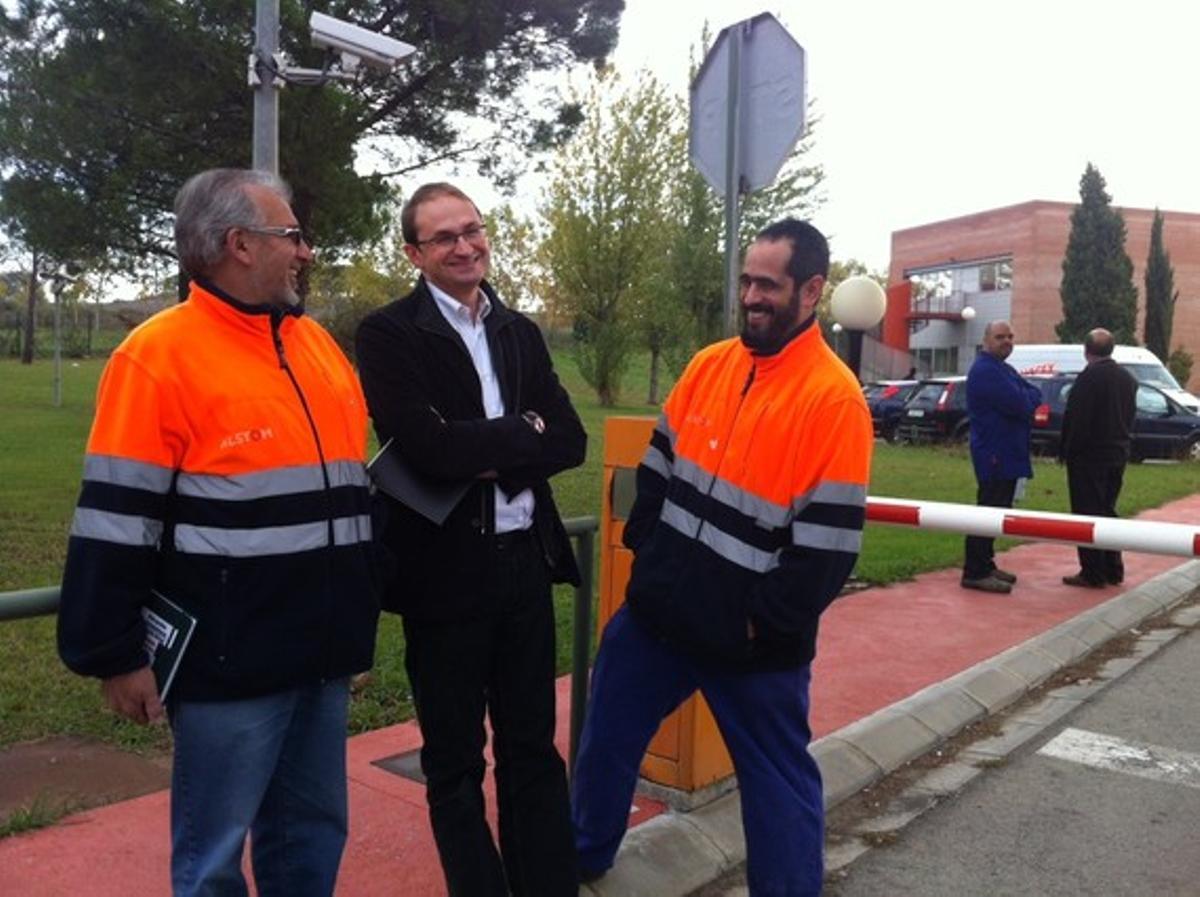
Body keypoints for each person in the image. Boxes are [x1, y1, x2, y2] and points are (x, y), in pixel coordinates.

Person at [57, 169, 380, 896]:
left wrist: (352, 623)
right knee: (211, 864)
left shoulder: (319, 348)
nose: (305, 250)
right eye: (290, 234)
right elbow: (114, 519)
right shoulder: (157, 356)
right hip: (229, 668)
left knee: (312, 843)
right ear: (239, 244)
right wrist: (114, 653)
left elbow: (353, 501)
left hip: (321, 656)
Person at [570, 219, 873, 895]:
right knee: (607, 735)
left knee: (777, 785)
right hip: (659, 617)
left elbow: (826, 550)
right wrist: (649, 562)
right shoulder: (710, 364)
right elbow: (655, 469)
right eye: (747, 281)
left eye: (769, 284)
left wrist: (756, 624)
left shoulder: (834, 400)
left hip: (752, 643)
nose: (753, 297)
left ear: (811, 290)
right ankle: (585, 851)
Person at [354, 182, 586, 897]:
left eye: (473, 230)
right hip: (444, 580)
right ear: (414, 252)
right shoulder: (389, 333)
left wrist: (483, 445)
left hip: (524, 567)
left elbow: (571, 439)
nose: (465, 246)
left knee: (532, 752)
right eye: (445, 237)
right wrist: (524, 434)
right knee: (453, 764)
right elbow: (425, 448)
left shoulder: (519, 330)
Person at [960, 320, 1042, 594]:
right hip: (994, 453)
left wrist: (1027, 397)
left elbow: (1034, 393)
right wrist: (1027, 399)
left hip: (1006, 451)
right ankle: (975, 571)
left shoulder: (1002, 369)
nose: (1007, 341)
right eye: (1000, 337)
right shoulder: (986, 371)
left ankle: (986, 562)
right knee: (988, 509)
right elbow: (1022, 402)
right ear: (986, 340)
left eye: (1010, 336)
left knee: (998, 510)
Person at [1059, 328, 1138, 587]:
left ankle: (1092, 571)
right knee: (1107, 509)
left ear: (1087, 351)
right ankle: (1113, 568)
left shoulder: (1088, 379)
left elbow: (1079, 420)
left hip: (1089, 456)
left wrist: (1068, 451)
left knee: (1087, 513)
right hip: (1117, 452)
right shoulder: (1127, 379)